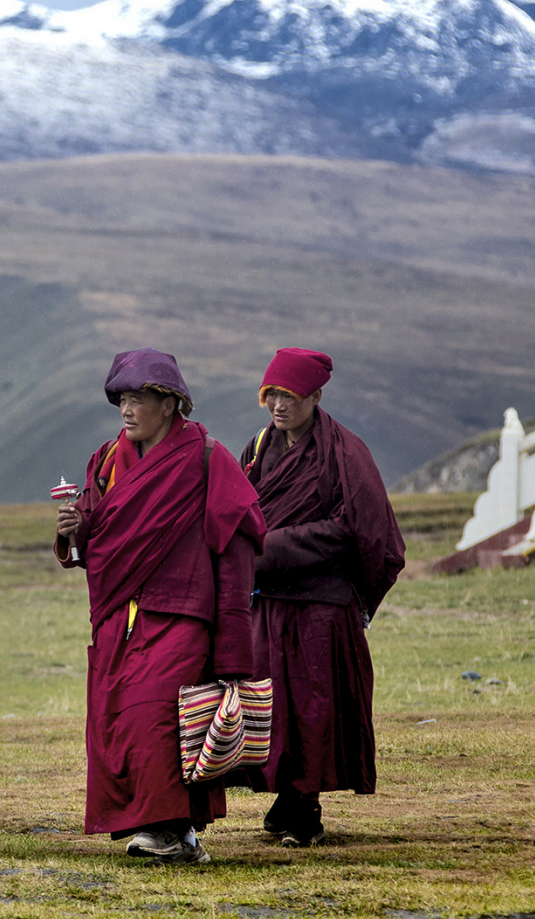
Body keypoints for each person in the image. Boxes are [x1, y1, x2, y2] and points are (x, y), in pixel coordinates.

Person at [54, 347, 265, 863]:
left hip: (181, 612)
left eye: (138, 399)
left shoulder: (207, 458)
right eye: (122, 400)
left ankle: (166, 831)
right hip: (116, 617)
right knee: (120, 723)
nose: (127, 410)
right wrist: (72, 532)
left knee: (160, 720)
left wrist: (233, 640)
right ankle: (175, 832)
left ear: (170, 404)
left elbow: (236, 547)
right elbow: (92, 534)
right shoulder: (105, 460)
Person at [235, 348, 404, 848]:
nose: (278, 407)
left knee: (311, 708)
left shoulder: (344, 453)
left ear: (315, 397)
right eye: (271, 396)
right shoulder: (259, 447)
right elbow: (241, 509)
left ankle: (304, 807)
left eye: (288, 396)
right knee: (272, 707)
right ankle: (288, 796)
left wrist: (270, 547)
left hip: (319, 605)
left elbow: (358, 530)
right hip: (269, 601)